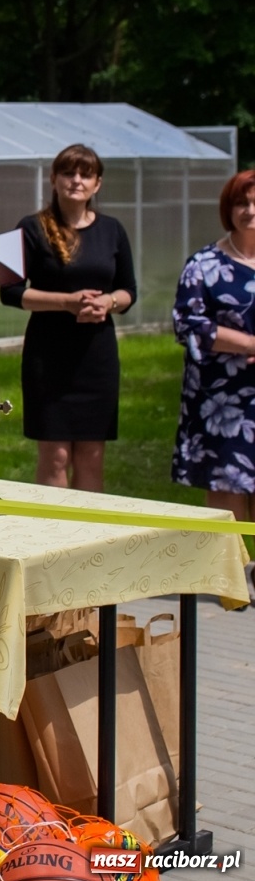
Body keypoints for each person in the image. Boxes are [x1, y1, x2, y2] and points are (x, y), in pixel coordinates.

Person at [0, 145, 136, 491]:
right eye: (68, 173)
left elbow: (128, 291)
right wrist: (66, 302)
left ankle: (90, 538)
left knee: (92, 454)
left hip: (97, 356)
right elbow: (11, 292)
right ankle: (53, 535)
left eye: (85, 174)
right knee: (55, 455)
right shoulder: (32, 228)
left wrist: (107, 302)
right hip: (48, 356)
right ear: (53, 179)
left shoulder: (112, 230)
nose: (76, 181)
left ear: (97, 184)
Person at [173, 169, 255, 595]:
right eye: (242, 202)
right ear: (229, 209)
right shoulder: (204, 264)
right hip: (222, 396)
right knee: (227, 482)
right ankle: (231, 580)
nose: (250, 211)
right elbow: (188, 323)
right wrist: (247, 343)